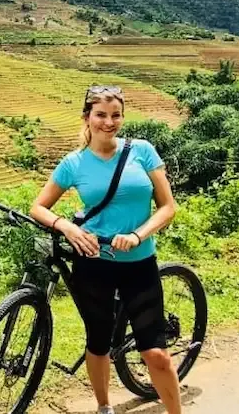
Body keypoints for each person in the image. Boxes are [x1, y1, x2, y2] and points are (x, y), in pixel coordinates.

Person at [30, 86, 181, 414]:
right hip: (93, 263)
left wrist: (138, 236)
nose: (108, 122)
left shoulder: (142, 151)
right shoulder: (74, 163)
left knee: (156, 353)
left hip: (139, 263)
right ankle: (104, 407)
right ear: (87, 117)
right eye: (100, 115)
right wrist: (67, 227)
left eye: (115, 115)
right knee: (98, 341)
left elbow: (168, 207)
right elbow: (38, 207)